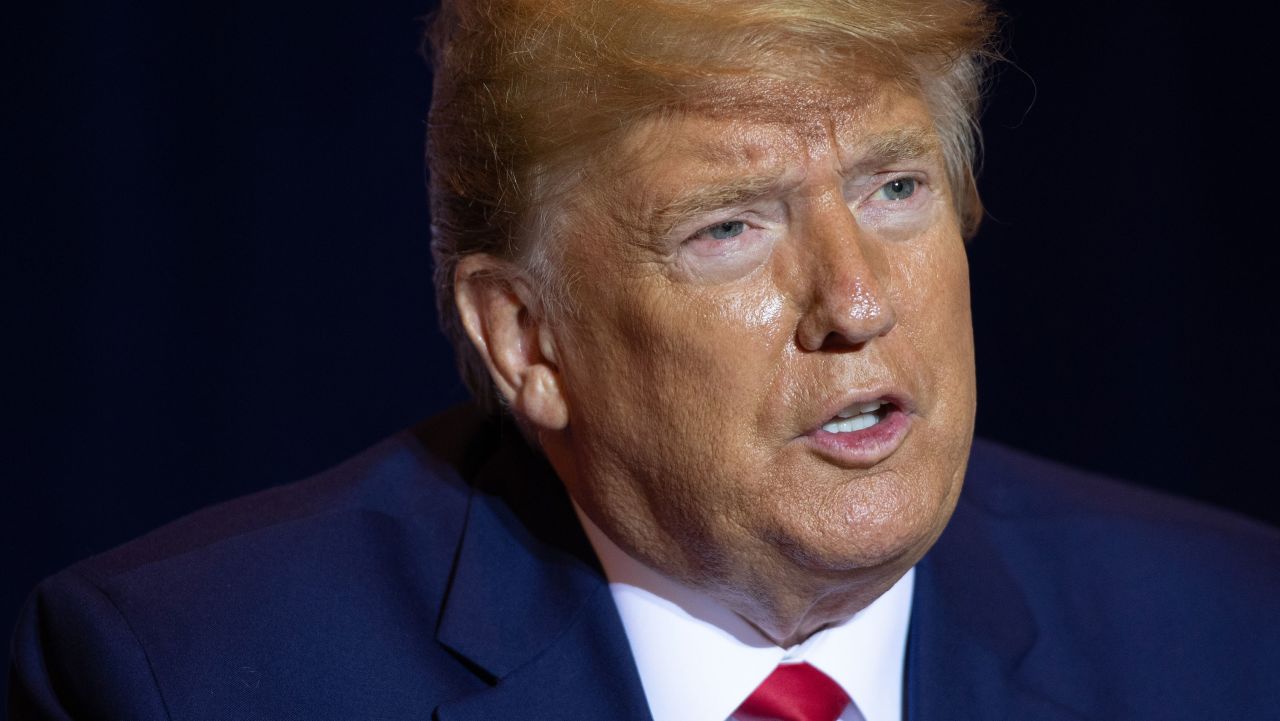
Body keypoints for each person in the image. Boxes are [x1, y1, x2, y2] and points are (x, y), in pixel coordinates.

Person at [8, 0, 1279, 719]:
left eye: (893, 187)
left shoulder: (1232, 637)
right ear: (527, 340)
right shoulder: (188, 682)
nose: (852, 301)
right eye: (730, 226)